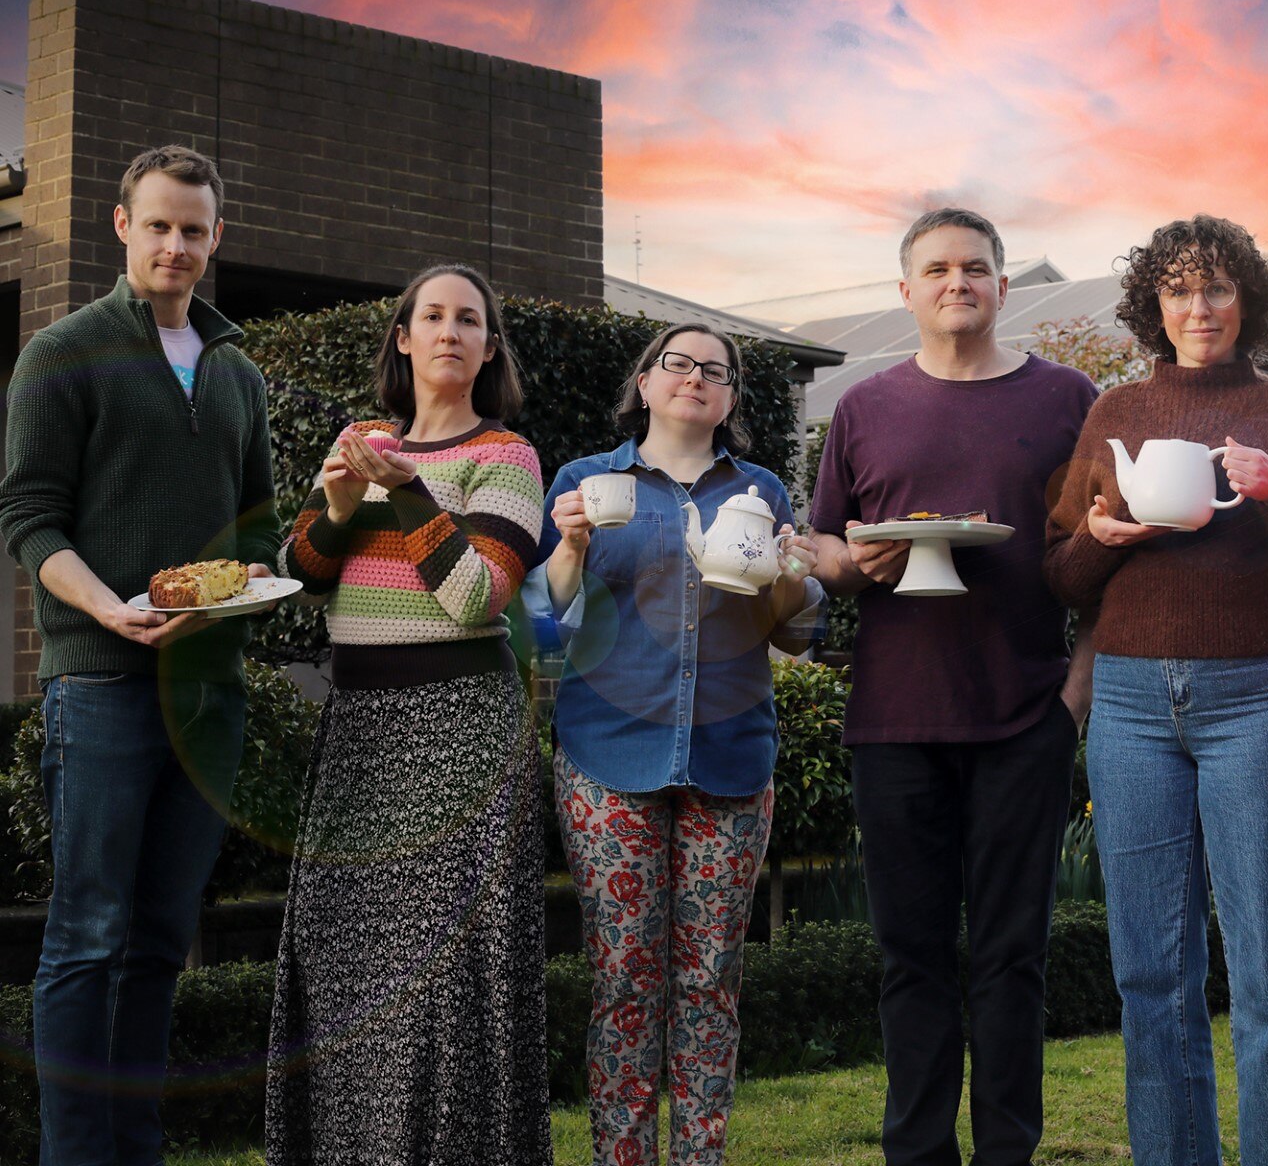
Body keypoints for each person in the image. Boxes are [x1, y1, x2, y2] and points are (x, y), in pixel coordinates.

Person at [1043, 215, 1268, 1166]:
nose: (1198, 306)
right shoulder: (1114, 412)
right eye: (1178, 289)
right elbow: (1062, 573)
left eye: (1216, 287)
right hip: (1131, 704)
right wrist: (1106, 539)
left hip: (1258, 692)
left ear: (1247, 299)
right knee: (1151, 974)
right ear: (1155, 306)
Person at [0, 145, 277, 1163]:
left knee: (161, 940)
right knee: (86, 939)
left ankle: (136, 1146)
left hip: (208, 696)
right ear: (121, 225)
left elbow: (257, 536)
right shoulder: (62, 353)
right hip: (105, 686)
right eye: (158, 224)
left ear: (215, 237)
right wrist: (108, 608)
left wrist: (226, 599)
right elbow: (28, 515)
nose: (176, 245)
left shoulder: (237, 370)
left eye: (194, 229)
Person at [809, 207, 1098, 1166]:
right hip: (894, 719)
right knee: (913, 961)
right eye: (935, 269)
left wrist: (1074, 701)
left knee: (1012, 960)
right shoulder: (864, 407)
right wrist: (860, 563)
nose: (956, 283)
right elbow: (828, 550)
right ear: (907, 292)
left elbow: (1103, 555)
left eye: (975, 267)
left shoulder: (1068, 399)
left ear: (1003, 286)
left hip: (1025, 715)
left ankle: (1007, 1153)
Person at [266, 262, 550, 1164]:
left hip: (460, 730)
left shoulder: (507, 458)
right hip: (359, 733)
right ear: (403, 336)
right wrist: (343, 495)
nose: (450, 332)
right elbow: (302, 574)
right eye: (433, 316)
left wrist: (405, 487)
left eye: (470, 320)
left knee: (443, 984)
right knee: (343, 964)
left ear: (488, 348)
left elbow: (475, 597)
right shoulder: (360, 443)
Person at [524, 322, 823, 1165]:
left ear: (729, 399)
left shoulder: (762, 490)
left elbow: (794, 636)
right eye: (678, 364)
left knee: (709, 984)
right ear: (646, 383)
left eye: (715, 371)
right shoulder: (585, 482)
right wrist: (571, 548)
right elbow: (548, 632)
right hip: (607, 758)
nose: (696, 378)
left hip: (730, 757)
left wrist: (794, 579)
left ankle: (701, 1158)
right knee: (624, 979)